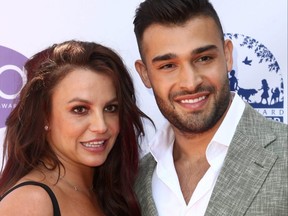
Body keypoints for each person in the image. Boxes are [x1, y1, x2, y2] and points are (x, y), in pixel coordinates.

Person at [132, 0, 288, 215]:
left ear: (227, 55)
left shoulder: (283, 151)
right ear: (145, 74)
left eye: (204, 58)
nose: (190, 82)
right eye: (168, 66)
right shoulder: (134, 181)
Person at [0, 40, 151, 216]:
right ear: (44, 116)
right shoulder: (31, 201)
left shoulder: (108, 192)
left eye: (110, 108)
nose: (101, 126)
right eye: (80, 109)